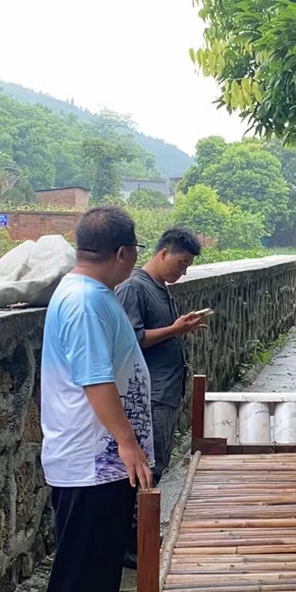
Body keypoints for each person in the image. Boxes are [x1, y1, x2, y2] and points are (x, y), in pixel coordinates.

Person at [41, 206, 153, 592]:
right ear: (124, 252)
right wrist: (127, 443)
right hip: (89, 460)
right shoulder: (85, 301)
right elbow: (95, 380)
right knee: (78, 564)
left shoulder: (90, 292)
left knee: (98, 559)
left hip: (99, 461)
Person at [116, 227, 206, 565]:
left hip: (165, 392)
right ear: (163, 254)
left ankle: (142, 535)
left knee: (158, 466)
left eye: (187, 267)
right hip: (148, 396)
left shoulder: (161, 288)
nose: (183, 271)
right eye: (181, 263)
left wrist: (181, 328)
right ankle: (129, 543)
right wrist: (175, 329)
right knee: (145, 470)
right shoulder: (134, 288)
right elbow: (130, 340)